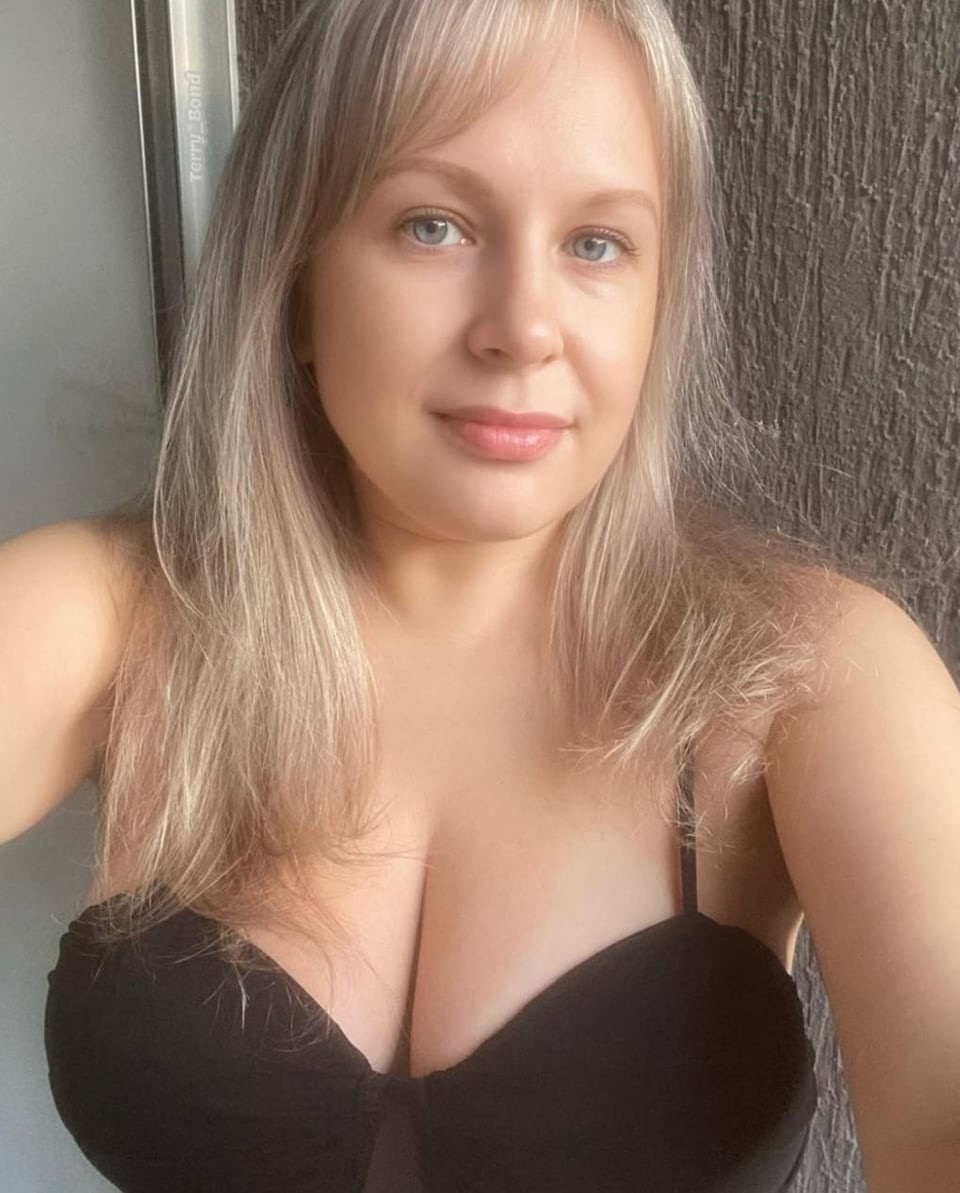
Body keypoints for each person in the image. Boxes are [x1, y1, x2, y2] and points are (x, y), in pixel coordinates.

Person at [2, 0, 957, 1189]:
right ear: (295, 281)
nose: (524, 328)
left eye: (597, 243)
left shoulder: (812, 677)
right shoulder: (116, 615)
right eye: (434, 224)